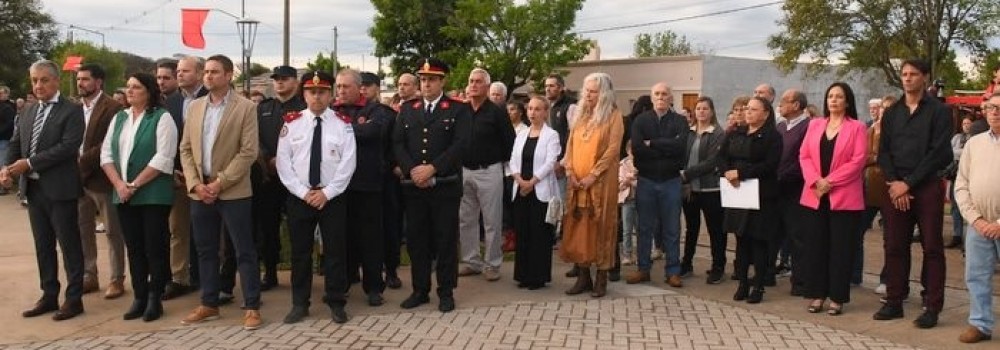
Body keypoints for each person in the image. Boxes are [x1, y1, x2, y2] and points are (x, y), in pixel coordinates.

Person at [178, 54, 263, 330]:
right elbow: (186, 149)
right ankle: (209, 303)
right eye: (206, 72)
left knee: (243, 250)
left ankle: (251, 306)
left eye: (215, 72)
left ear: (229, 75)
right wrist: (195, 184)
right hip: (199, 191)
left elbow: (248, 152)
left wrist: (219, 183)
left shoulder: (245, 108)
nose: (208, 76)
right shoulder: (195, 107)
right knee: (205, 250)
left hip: (233, 190)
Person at [2, 60, 86, 321]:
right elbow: (17, 143)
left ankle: (74, 299)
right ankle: (49, 295)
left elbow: (68, 147)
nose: (38, 85)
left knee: (69, 245)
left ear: (56, 81)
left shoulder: (71, 111)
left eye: (44, 80)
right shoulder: (27, 110)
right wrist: (6, 169)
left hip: (60, 190)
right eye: (35, 80)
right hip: (34, 190)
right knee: (43, 246)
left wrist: (30, 163)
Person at [873, 59, 953, 329]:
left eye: (913, 74)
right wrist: (896, 182)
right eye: (904, 74)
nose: (907, 79)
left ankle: (932, 305)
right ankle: (894, 300)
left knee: (932, 247)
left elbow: (940, 152)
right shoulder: (893, 112)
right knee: (894, 245)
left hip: (927, 185)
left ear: (925, 77)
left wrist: (909, 183)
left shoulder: (940, 112)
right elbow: (883, 152)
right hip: (895, 188)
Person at [277, 71, 357, 324]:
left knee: (335, 252)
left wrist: (327, 193)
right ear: (304, 94)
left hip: (332, 197)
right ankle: (300, 303)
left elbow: (348, 163)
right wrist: (303, 193)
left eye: (322, 91)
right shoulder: (291, 124)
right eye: (312, 92)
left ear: (330, 94)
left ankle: (336, 302)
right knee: (300, 254)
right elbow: (283, 164)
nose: (317, 96)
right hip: (300, 197)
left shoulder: (343, 124)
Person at [393, 58, 470, 312]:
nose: (426, 84)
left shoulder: (458, 109)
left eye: (432, 79)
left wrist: (432, 168)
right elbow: (398, 144)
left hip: (444, 187)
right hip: (415, 187)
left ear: (442, 81)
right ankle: (420, 290)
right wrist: (412, 170)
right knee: (417, 241)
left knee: (445, 240)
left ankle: (446, 291)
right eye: (423, 79)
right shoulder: (408, 109)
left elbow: (460, 145)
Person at [99, 72, 178, 322]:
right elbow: (106, 154)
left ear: (149, 91)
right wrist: (119, 185)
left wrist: (133, 184)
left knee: (153, 247)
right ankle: (139, 296)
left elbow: (164, 157)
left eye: (136, 87)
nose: (130, 91)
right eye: (128, 87)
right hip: (123, 194)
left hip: (153, 194)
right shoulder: (119, 118)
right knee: (133, 247)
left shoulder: (162, 117)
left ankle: (155, 297)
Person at [798, 82, 868, 316]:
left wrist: (830, 182)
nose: (834, 100)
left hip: (844, 198)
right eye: (830, 96)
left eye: (839, 97)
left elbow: (858, 161)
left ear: (847, 101)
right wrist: (816, 181)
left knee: (841, 249)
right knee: (815, 247)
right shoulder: (815, 125)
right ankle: (817, 295)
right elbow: (804, 155)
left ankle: (837, 297)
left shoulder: (857, 127)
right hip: (815, 195)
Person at [332, 68, 395, 306]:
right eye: (338, 87)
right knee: (342, 237)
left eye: (345, 87)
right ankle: (345, 280)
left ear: (359, 88)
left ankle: (374, 287)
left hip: (367, 184)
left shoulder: (376, 111)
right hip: (339, 186)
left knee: (370, 238)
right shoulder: (332, 111)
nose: (341, 91)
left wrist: (341, 131)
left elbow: (373, 131)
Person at [560, 72, 624, 298]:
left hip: (600, 185)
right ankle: (583, 277)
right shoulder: (579, 115)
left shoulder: (613, 116)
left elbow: (613, 150)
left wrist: (593, 175)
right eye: (586, 90)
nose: (588, 94)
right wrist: (570, 171)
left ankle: (602, 279)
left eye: (593, 91)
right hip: (577, 184)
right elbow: (570, 146)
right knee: (580, 229)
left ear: (604, 94)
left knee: (602, 228)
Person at [720, 96, 782, 304]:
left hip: (761, 194)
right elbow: (722, 157)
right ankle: (742, 283)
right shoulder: (735, 133)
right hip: (737, 193)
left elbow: (770, 165)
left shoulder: (772, 136)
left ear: (765, 113)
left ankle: (759, 286)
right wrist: (728, 172)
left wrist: (741, 172)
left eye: (754, 109)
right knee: (741, 240)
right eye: (747, 109)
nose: (748, 112)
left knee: (758, 242)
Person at [626, 83, 688, 287]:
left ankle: (673, 271)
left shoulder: (680, 121)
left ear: (671, 98)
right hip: (647, 180)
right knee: (644, 227)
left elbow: (680, 149)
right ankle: (643, 269)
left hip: (671, 181)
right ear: (651, 98)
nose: (661, 97)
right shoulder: (641, 121)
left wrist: (652, 143)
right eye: (657, 94)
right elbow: (637, 150)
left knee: (672, 228)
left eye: (665, 94)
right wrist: (665, 146)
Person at [457, 68, 516, 282]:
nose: (473, 85)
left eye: (478, 82)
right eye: (471, 81)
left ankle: (492, 264)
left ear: (487, 86)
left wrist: (498, 161)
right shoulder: (461, 111)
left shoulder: (497, 112)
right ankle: (471, 261)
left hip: (489, 171)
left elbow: (509, 142)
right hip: (464, 171)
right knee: (466, 219)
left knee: (492, 221)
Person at [75, 63, 127, 299]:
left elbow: (108, 143)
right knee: (83, 229)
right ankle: (89, 275)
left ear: (99, 82)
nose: (80, 83)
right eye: (79, 79)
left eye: (85, 79)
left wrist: (80, 162)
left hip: (103, 178)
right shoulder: (76, 108)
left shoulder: (114, 108)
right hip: (78, 181)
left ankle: (117, 279)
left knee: (113, 232)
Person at [253, 65, 305, 291]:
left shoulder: (304, 108)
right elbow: (254, 137)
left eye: (284, 79)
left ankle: (299, 275)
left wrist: (284, 161)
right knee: (267, 227)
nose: (279, 83)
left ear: (295, 81)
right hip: (269, 178)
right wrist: (267, 158)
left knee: (297, 228)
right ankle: (271, 272)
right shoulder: (264, 108)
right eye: (276, 79)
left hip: (296, 178)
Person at [954, 92, 1000, 344]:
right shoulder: (974, 143)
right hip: (978, 224)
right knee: (976, 275)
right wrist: (976, 219)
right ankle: (980, 324)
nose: (995, 112)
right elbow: (961, 184)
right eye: (991, 107)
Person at [162, 55, 207, 300]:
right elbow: (167, 140)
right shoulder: (171, 102)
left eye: (186, 71)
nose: (180, 74)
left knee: (207, 230)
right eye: (178, 71)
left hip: (207, 177)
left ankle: (206, 275)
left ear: (200, 74)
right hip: (178, 177)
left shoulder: (211, 98)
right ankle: (179, 278)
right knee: (178, 229)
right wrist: (172, 170)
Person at [509, 96, 561, 290]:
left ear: (545, 112)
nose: (532, 112)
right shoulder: (521, 134)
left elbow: (550, 162)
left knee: (539, 234)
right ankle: (522, 275)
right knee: (522, 232)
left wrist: (532, 181)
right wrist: (519, 180)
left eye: (537, 109)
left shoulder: (551, 135)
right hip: (521, 188)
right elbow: (513, 159)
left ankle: (537, 276)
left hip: (540, 189)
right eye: (530, 108)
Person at [679, 97, 727, 284]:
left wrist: (686, 174)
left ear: (712, 111)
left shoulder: (718, 133)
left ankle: (718, 267)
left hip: (710, 189)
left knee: (715, 230)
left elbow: (712, 162)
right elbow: (682, 156)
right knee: (691, 228)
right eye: (698, 108)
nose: (701, 112)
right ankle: (687, 263)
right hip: (690, 190)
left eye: (705, 109)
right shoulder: (689, 132)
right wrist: (685, 179)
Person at [773, 89, 810, 293]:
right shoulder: (780, 127)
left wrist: (782, 176)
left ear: (796, 105)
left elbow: (802, 159)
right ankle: (767, 275)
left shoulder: (808, 127)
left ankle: (801, 281)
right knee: (773, 233)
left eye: (784, 101)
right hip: (777, 189)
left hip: (796, 189)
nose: (780, 105)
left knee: (797, 236)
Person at [945, 116, 972, 249]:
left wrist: (958, 153)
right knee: (955, 206)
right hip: (955, 175)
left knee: (968, 207)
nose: (966, 125)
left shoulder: (975, 138)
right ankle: (957, 235)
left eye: (968, 123)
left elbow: (968, 154)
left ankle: (968, 239)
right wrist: (961, 152)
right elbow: (949, 152)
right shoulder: (956, 137)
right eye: (964, 123)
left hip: (969, 176)